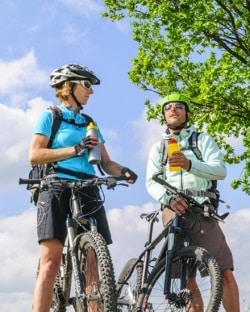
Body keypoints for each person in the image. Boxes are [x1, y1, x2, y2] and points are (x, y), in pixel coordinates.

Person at [29, 63, 137, 312]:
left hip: (87, 187)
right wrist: (74, 149)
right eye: (86, 85)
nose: (91, 92)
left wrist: (124, 172)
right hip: (56, 186)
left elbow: (106, 162)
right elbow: (34, 155)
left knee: (93, 263)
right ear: (69, 86)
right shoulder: (50, 116)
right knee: (50, 261)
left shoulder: (89, 122)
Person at [146, 92, 240, 312]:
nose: (173, 110)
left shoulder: (202, 140)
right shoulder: (159, 148)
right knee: (186, 278)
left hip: (201, 209)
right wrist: (168, 198)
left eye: (178, 106)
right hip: (173, 210)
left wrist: (190, 164)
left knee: (224, 269)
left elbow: (220, 171)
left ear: (187, 113)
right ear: (164, 115)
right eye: (168, 107)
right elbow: (151, 182)